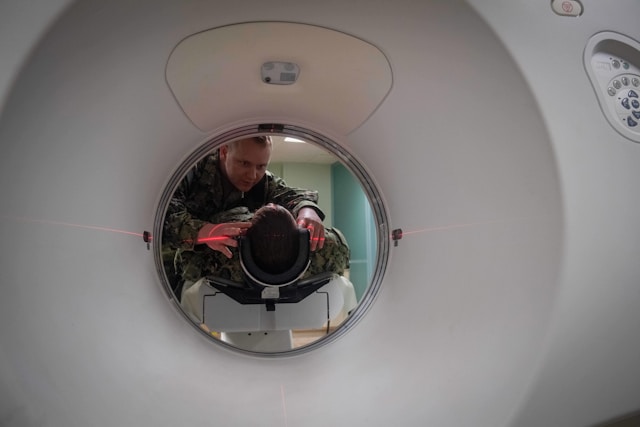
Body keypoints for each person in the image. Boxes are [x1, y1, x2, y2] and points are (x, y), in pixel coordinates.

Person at [162, 136, 326, 296]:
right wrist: (204, 232)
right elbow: (163, 217)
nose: (252, 175)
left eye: (261, 166)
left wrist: (307, 209)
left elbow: (292, 195)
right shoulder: (190, 170)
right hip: (168, 270)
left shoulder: (262, 182)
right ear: (224, 151)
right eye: (244, 163)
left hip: (221, 280)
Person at [179, 203, 353, 326]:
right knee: (344, 285)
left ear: (245, 239)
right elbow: (341, 264)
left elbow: (186, 267)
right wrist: (308, 208)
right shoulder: (328, 248)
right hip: (304, 315)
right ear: (300, 236)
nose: (271, 202)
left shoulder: (219, 253)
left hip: (229, 317)